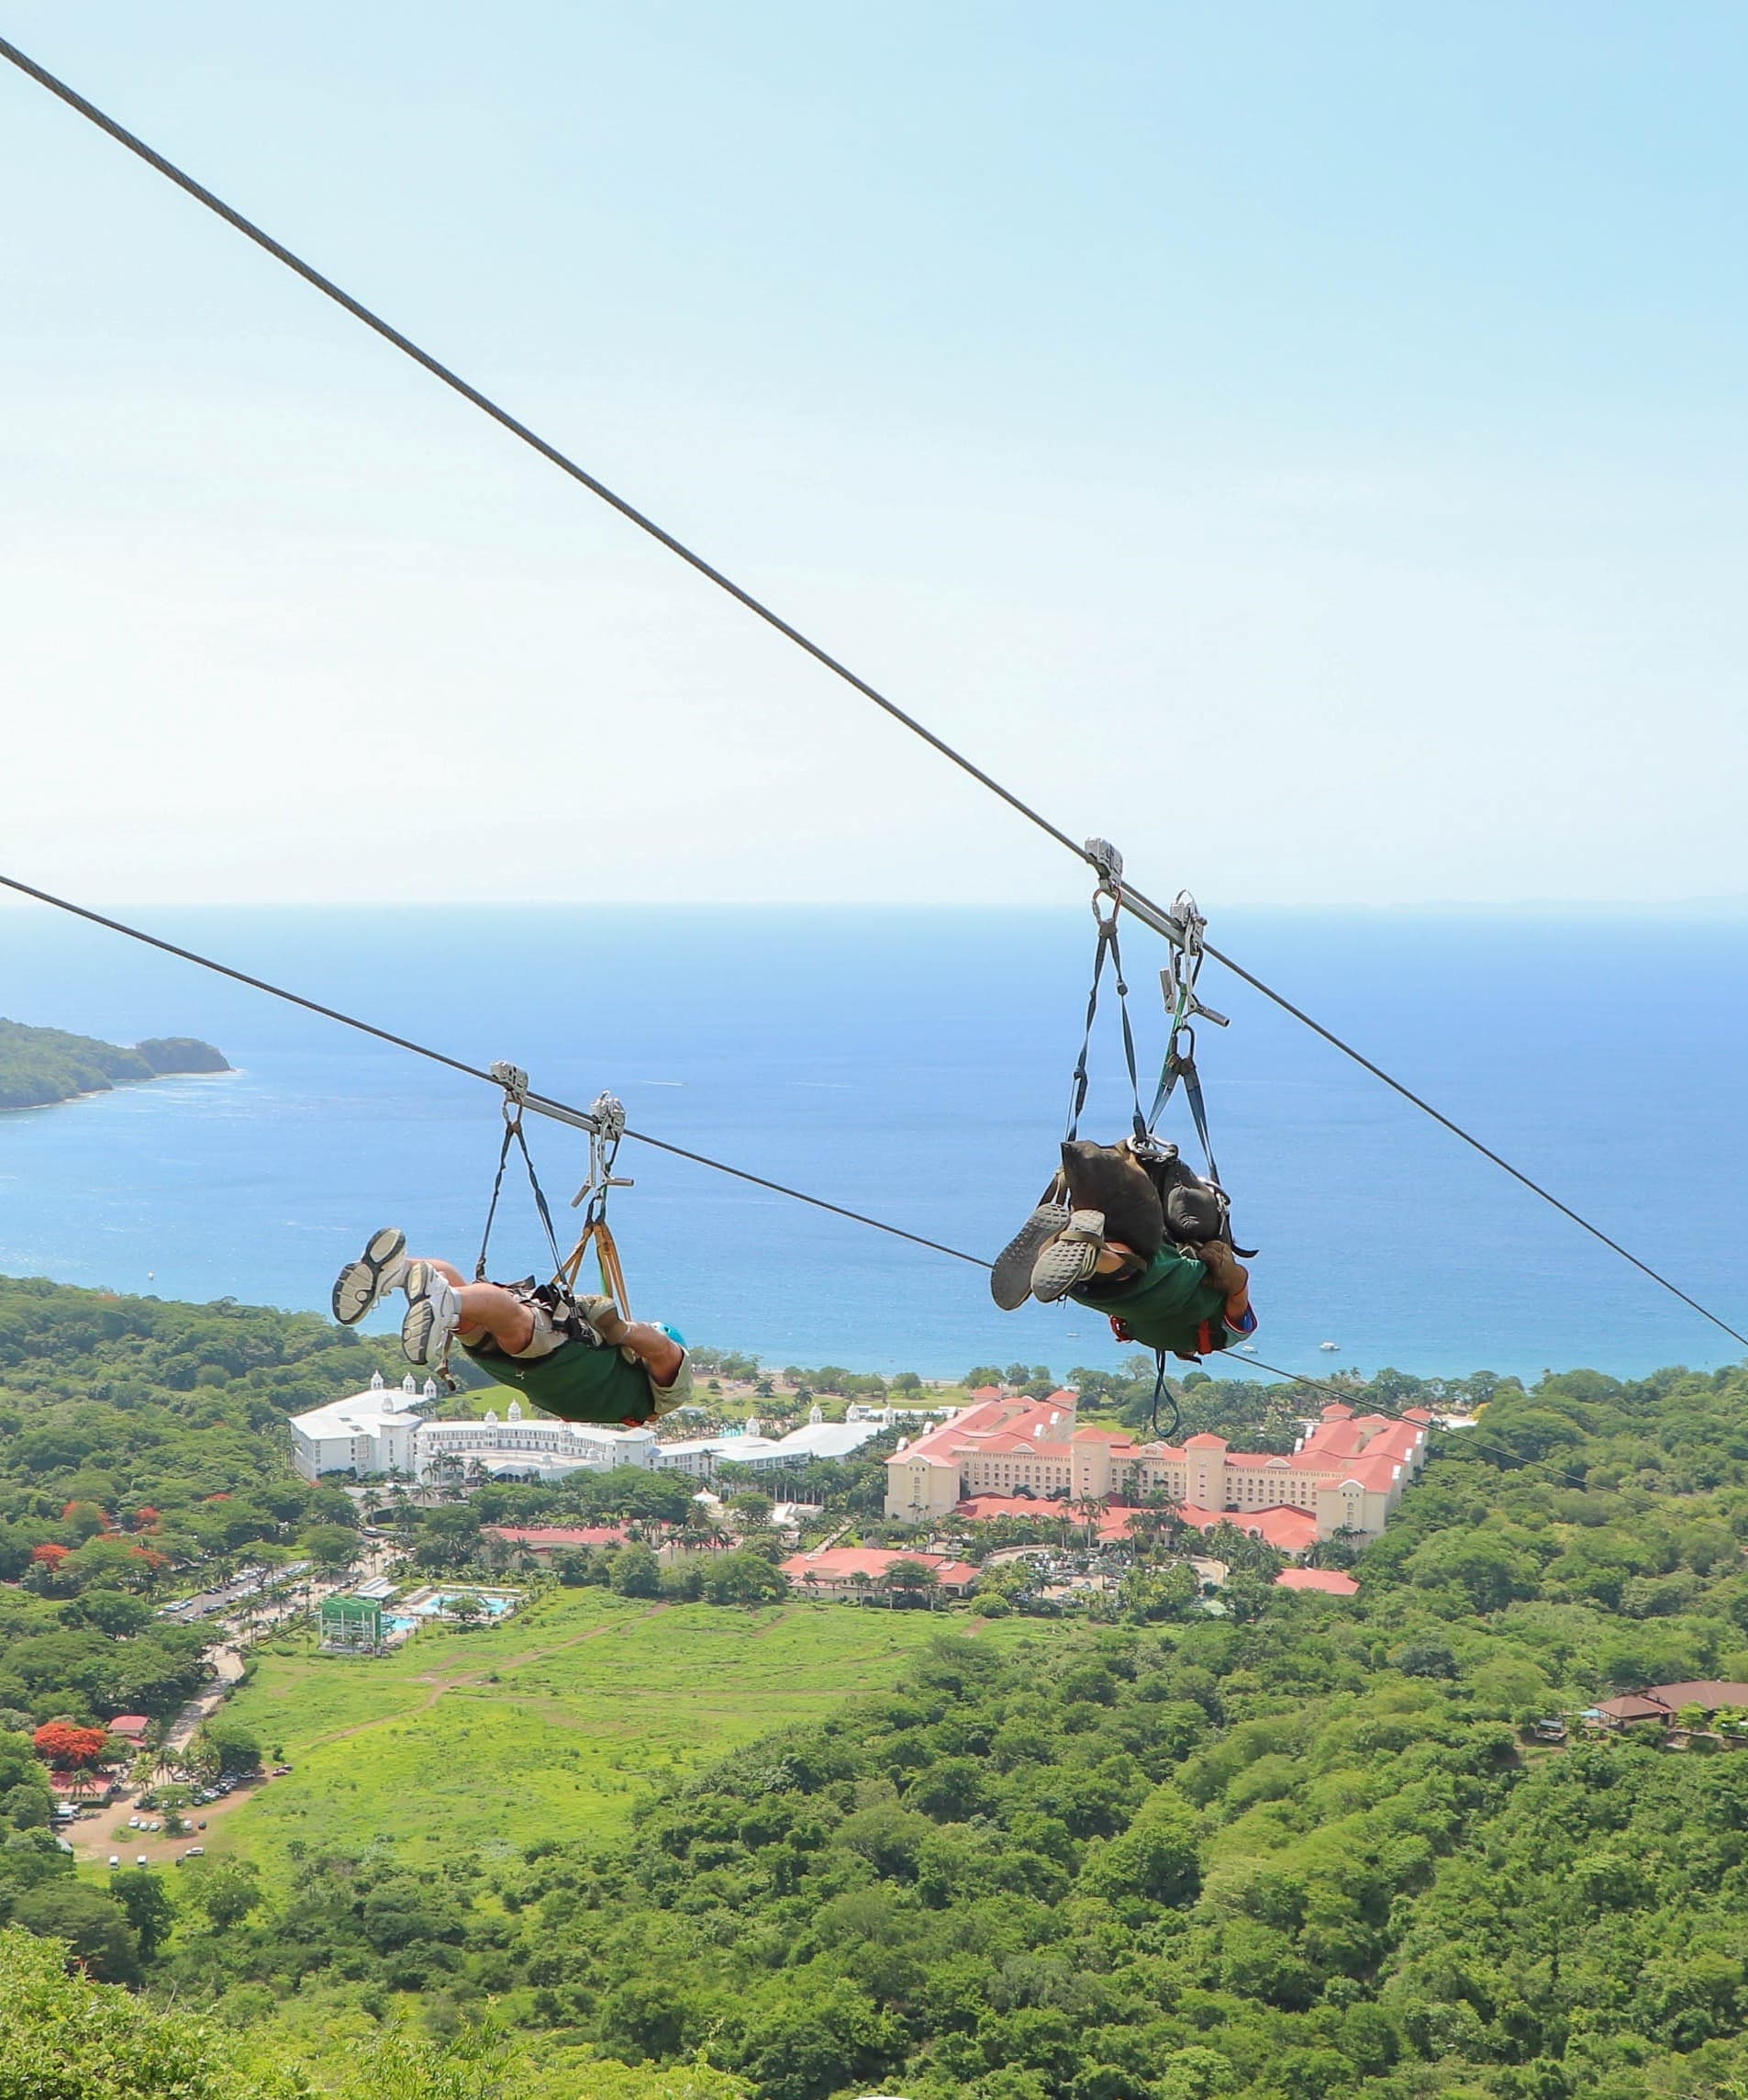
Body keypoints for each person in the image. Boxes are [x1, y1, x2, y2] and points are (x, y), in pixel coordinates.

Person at [331, 1227, 690, 1426]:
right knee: (493, 1314)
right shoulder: (635, 1399)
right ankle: (418, 1283)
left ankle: (409, 1275)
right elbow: (655, 1351)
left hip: (550, 1365)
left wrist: (621, 1331)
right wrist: (613, 1332)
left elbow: (662, 1349)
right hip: (538, 1365)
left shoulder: (663, 1387)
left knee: (509, 1318)